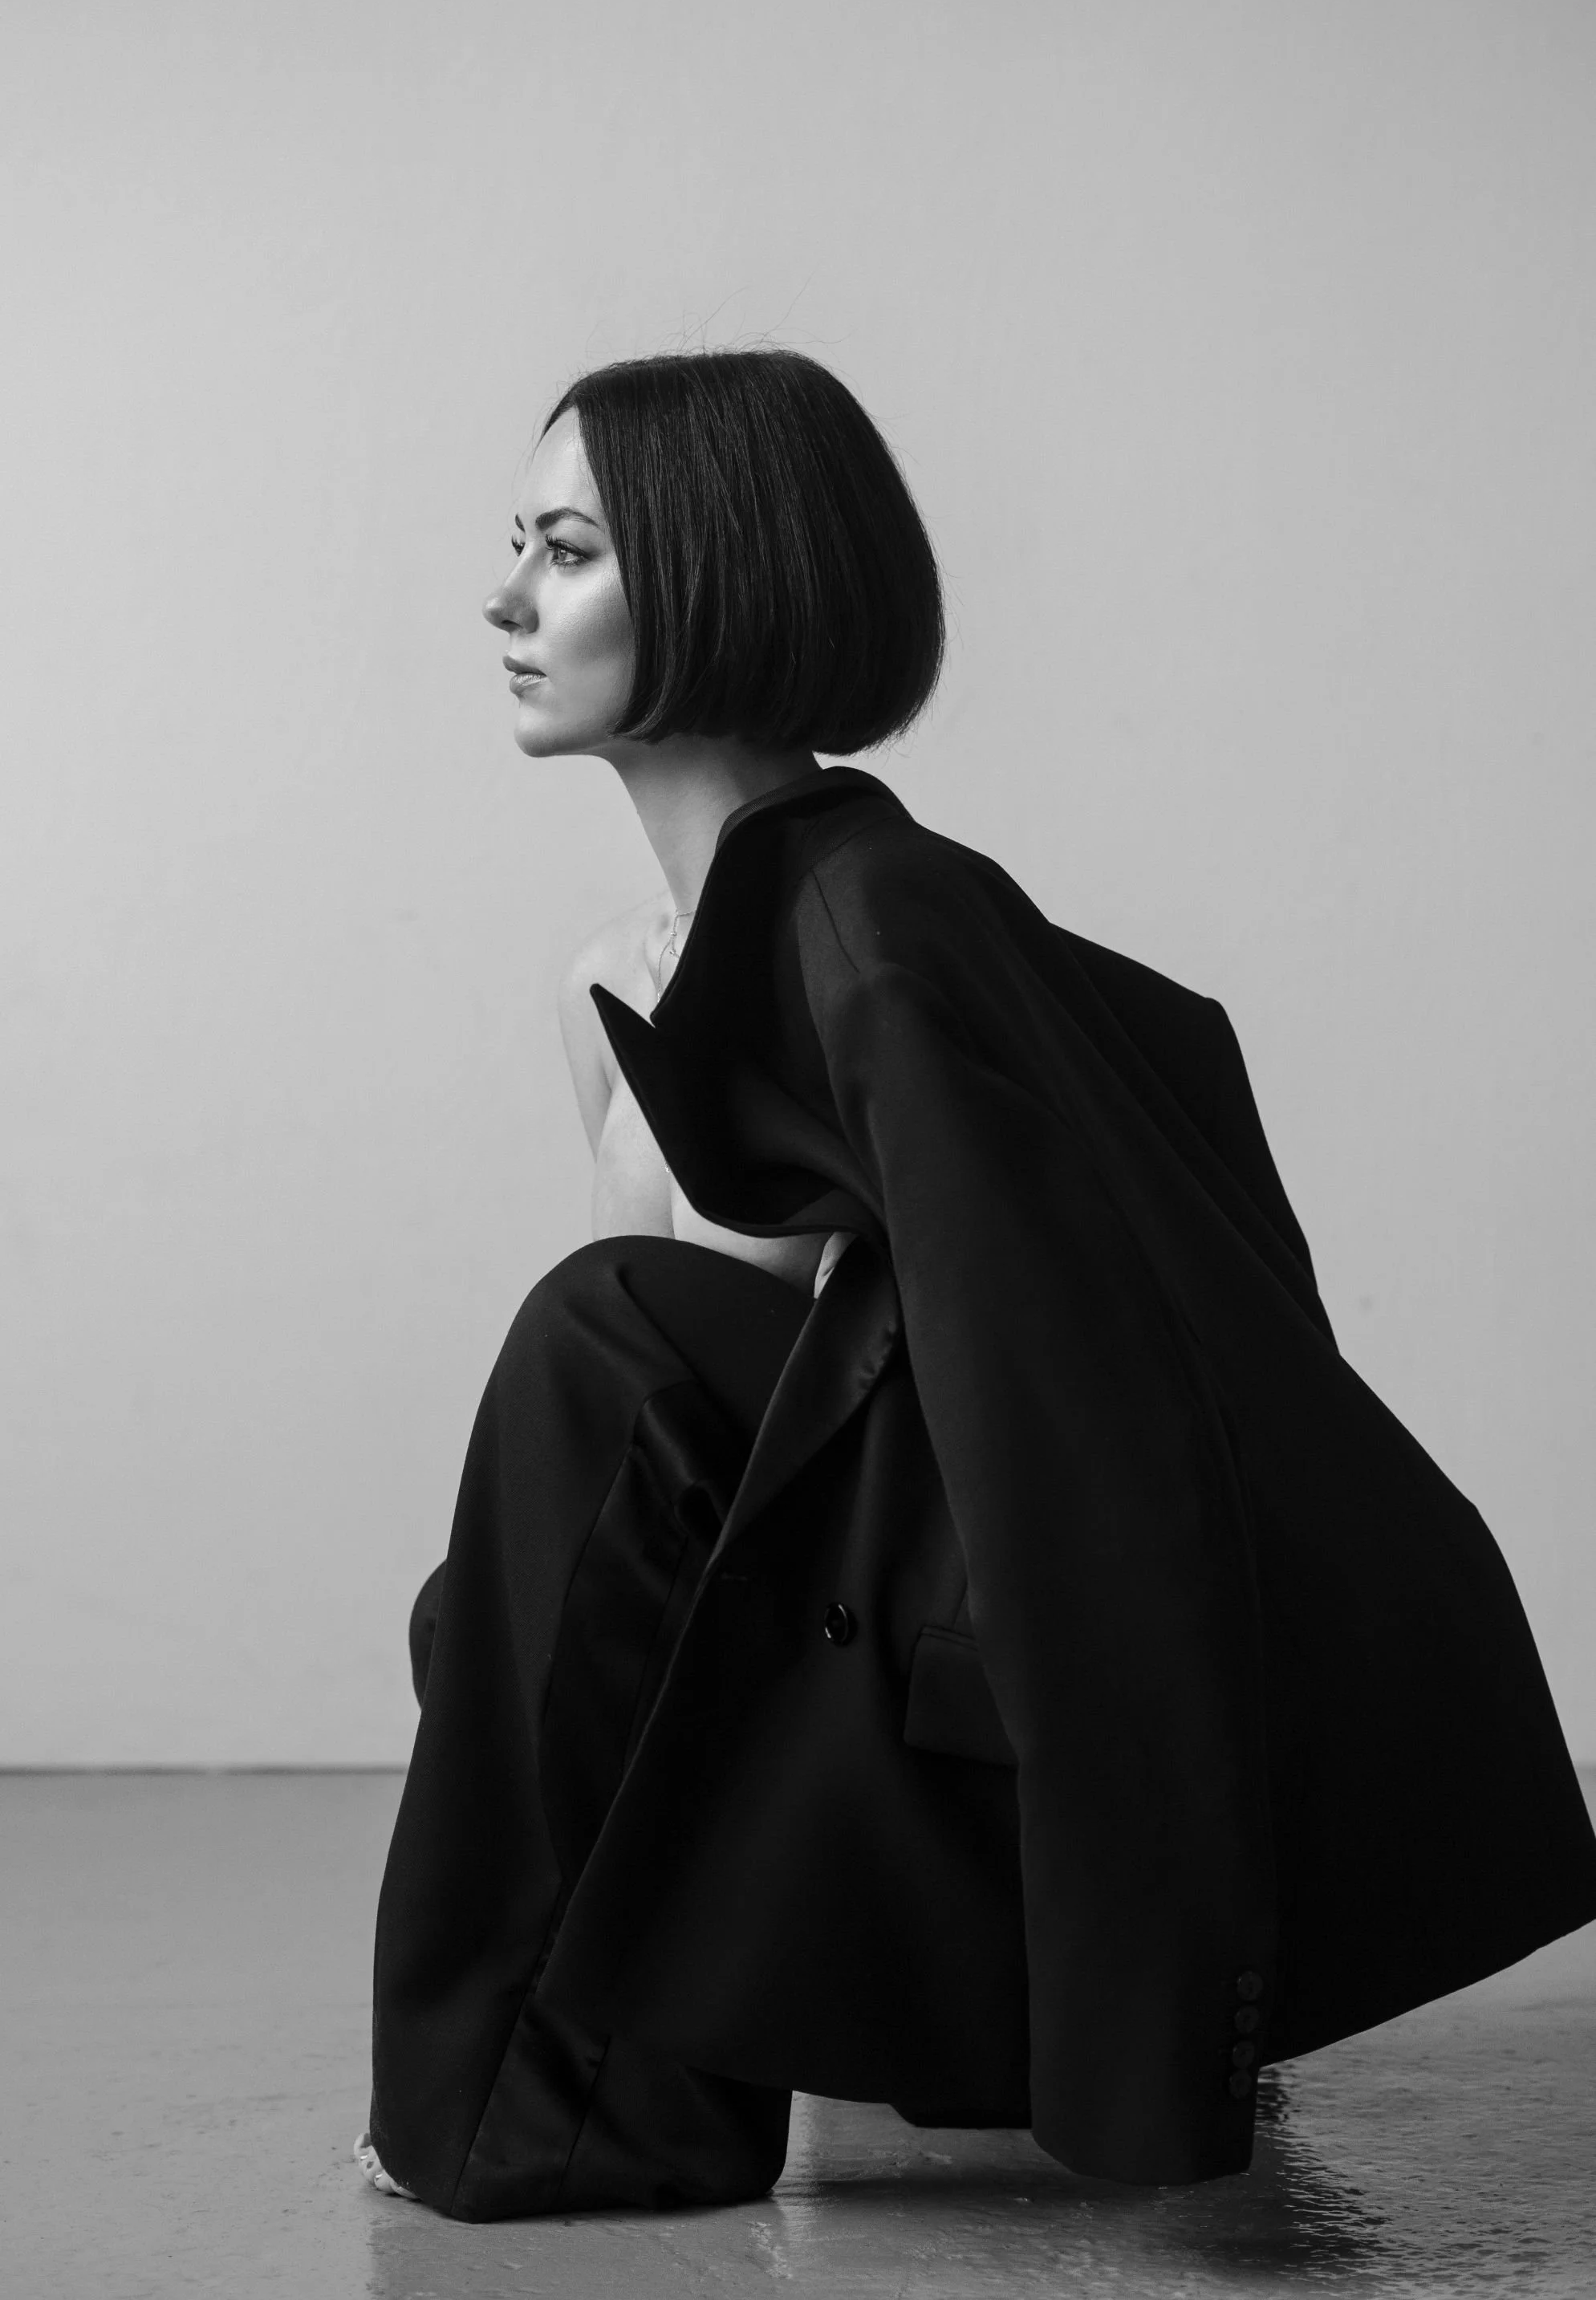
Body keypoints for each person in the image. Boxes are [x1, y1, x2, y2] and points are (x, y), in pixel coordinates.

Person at [361, 350, 1596, 2220]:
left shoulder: (873, 921)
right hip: (816, 1667)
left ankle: (561, 2116)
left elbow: (1074, 1430)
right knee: (546, 1463)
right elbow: (631, 1507)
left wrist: (1154, 2005)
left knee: (592, 1339)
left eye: (568, 551)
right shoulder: (623, 974)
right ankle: (607, 2064)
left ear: (715, 576)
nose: (506, 600)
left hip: (990, 1717)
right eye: (514, 547)